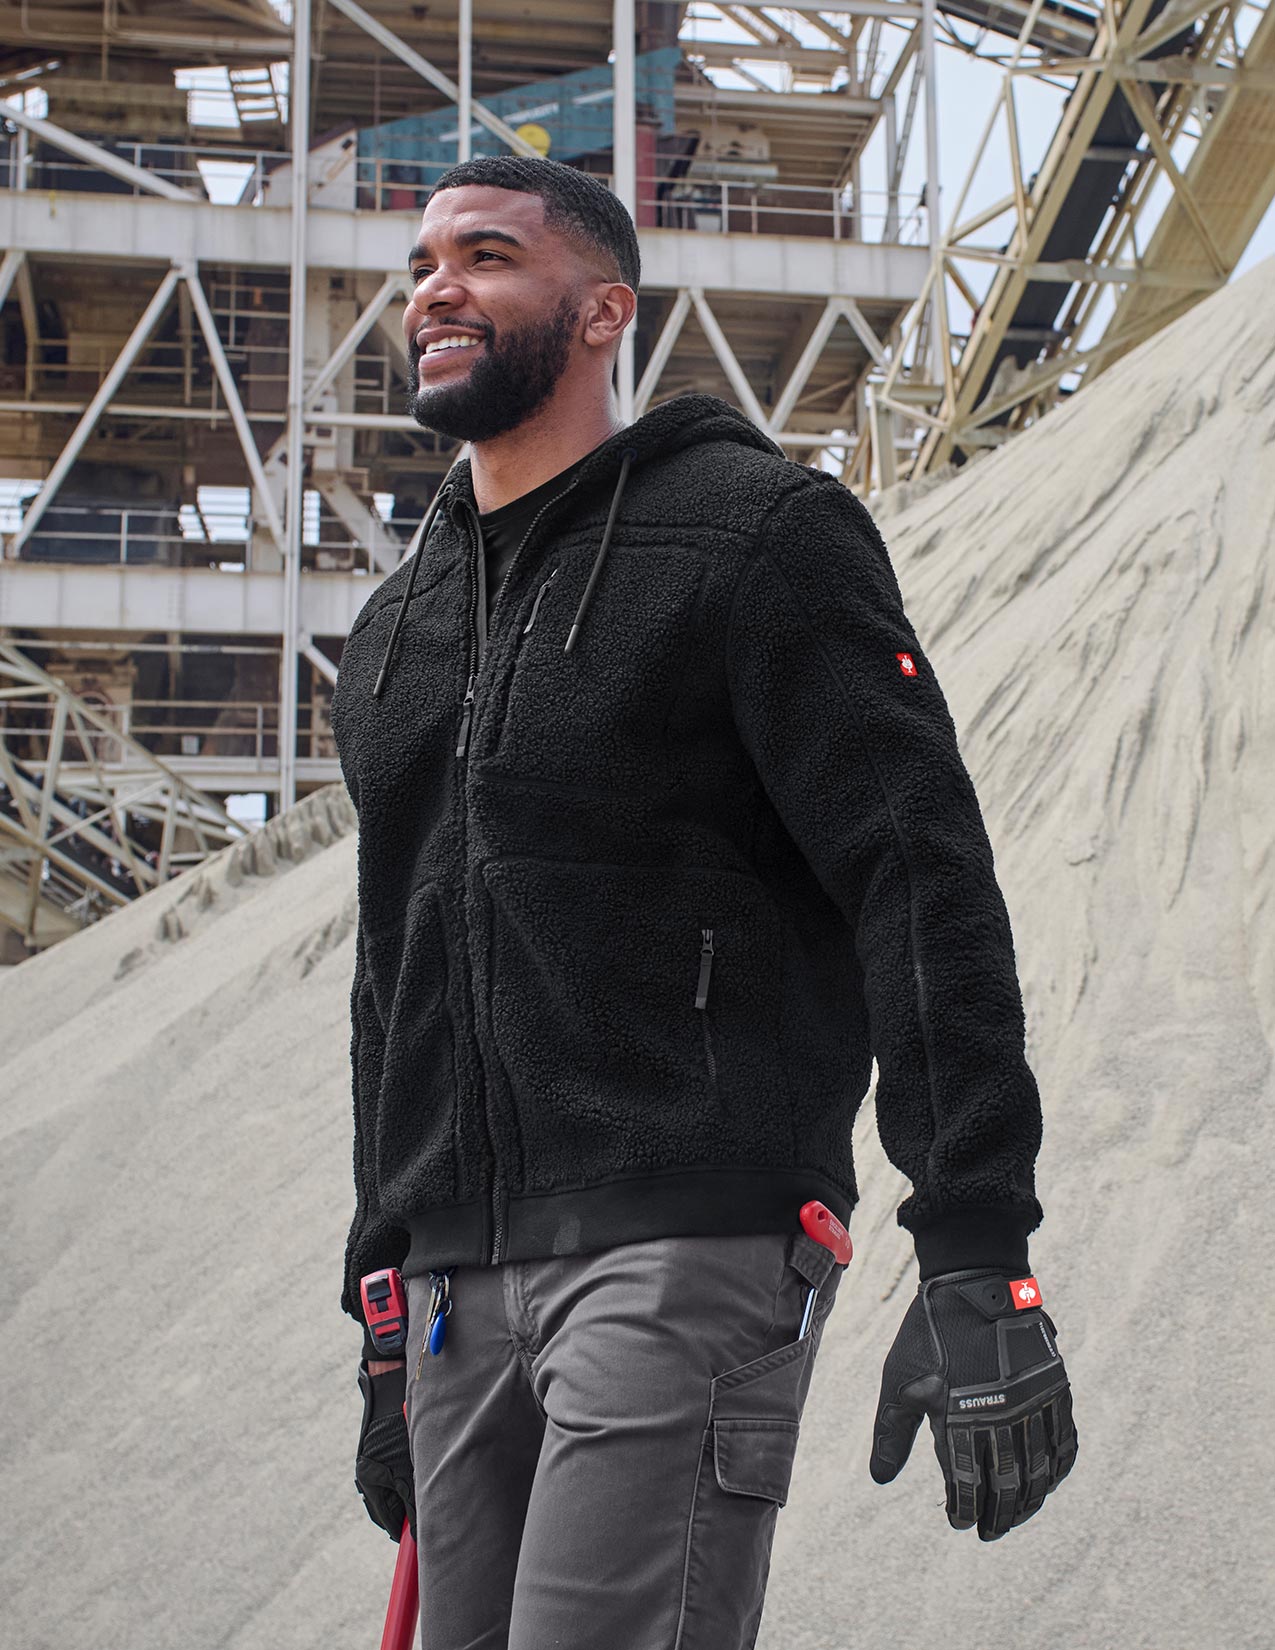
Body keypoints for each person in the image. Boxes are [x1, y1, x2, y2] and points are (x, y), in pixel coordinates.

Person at [330, 154, 1077, 1650]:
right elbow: (396, 984)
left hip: (685, 1231)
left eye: (487, 255)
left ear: (603, 310)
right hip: (459, 1278)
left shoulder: (758, 537)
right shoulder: (396, 630)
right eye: (422, 263)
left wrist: (979, 1241)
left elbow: (918, 876)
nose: (436, 288)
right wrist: (380, 1316)